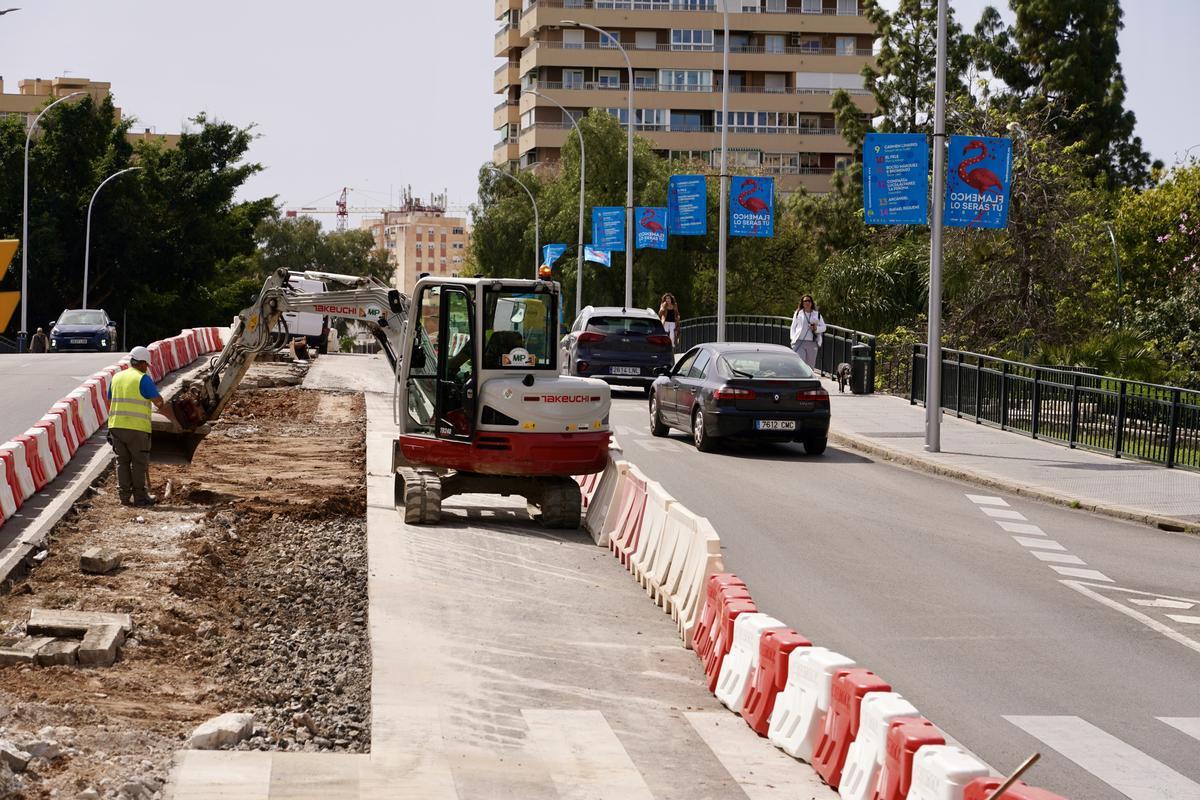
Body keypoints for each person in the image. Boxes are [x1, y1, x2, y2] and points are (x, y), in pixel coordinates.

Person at [108, 346, 172, 507]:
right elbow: (158, 401)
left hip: (115, 426)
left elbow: (110, 397)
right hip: (137, 429)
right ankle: (140, 497)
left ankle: (124, 497)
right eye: (146, 365)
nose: (146, 368)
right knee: (138, 463)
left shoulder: (116, 377)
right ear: (143, 363)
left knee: (121, 462)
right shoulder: (142, 379)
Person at [789, 294, 826, 369]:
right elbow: (793, 327)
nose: (807, 302)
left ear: (811, 303)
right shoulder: (798, 313)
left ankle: (808, 380)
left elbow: (824, 327)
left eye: (809, 301)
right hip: (799, 342)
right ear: (802, 303)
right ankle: (800, 380)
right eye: (805, 301)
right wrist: (793, 339)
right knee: (800, 364)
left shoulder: (817, 314)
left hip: (812, 343)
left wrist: (816, 329)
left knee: (810, 367)